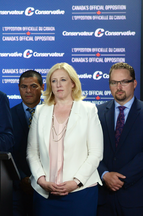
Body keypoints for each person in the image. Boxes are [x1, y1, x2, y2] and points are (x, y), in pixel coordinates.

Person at [26, 62, 103, 216]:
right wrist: (41, 180)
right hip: (45, 194)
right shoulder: (41, 111)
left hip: (81, 192)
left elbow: (96, 153)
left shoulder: (88, 110)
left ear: (73, 83)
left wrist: (75, 182)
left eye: (63, 80)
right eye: (54, 81)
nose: (58, 85)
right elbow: (32, 153)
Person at [97, 62, 143, 216]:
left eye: (124, 82)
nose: (119, 87)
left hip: (135, 197)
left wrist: (121, 178)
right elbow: (88, 148)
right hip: (102, 199)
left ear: (134, 83)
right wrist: (104, 174)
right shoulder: (97, 112)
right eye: (114, 82)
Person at [11, 70, 44, 216]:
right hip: (17, 187)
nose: (28, 91)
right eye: (24, 87)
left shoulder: (53, 113)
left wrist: (39, 178)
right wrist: (23, 178)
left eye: (33, 86)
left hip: (47, 185)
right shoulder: (7, 115)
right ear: (18, 88)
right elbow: (7, 150)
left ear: (42, 87)